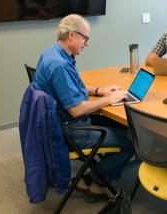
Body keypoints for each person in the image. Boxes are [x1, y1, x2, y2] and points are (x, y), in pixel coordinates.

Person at [33, 14, 134, 198]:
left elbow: (71, 87)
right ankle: (95, 181)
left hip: (60, 123)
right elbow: (76, 109)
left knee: (126, 127)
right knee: (133, 141)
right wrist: (111, 99)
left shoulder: (53, 53)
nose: (87, 43)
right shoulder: (59, 65)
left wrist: (100, 90)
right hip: (69, 130)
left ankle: (90, 176)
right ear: (71, 35)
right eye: (85, 38)